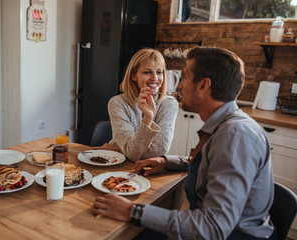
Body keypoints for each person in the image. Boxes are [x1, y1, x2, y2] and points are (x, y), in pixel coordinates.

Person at [92, 47, 275, 240]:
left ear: (203, 86)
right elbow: (213, 165)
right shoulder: (225, 126)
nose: (179, 87)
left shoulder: (234, 136)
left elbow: (211, 229)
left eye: (184, 78)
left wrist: (134, 211)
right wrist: (167, 161)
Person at [94, 48, 178, 162]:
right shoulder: (118, 103)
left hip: (149, 169)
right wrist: (148, 119)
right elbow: (132, 154)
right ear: (134, 75)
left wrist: (116, 149)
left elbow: (158, 152)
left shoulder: (169, 104)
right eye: (147, 72)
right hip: (117, 164)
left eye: (159, 72)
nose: (155, 78)